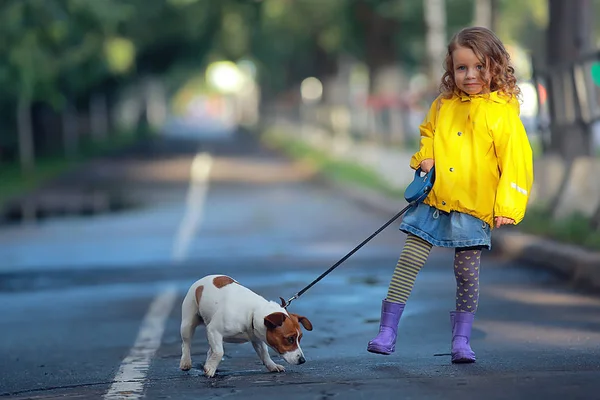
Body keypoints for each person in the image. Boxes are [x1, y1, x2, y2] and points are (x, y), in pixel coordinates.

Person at [366, 26, 534, 363]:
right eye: (461, 68)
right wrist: (425, 155)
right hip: (434, 200)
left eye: (479, 67)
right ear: (451, 70)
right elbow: (427, 132)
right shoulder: (442, 104)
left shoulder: (503, 114)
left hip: (473, 206)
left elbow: (517, 163)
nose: (470, 75)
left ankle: (461, 339)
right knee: (409, 260)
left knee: (466, 272)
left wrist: (508, 206)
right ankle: (387, 330)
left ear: (496, 67)